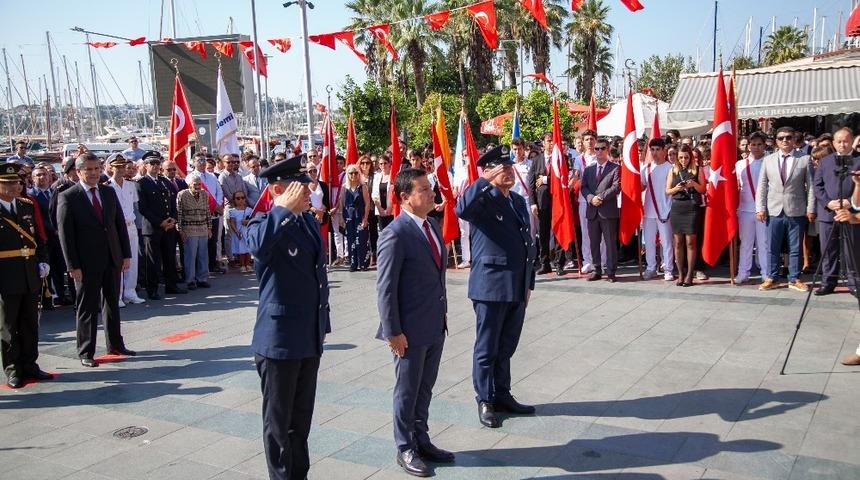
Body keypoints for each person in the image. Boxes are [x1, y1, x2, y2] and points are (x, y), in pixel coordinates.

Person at [246, 153, 330, 480]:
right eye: (302, 188)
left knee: (301, 422)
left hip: (309, 335)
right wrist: (281, 207)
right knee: (278, 425)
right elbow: (256, 246)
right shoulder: (264, 223)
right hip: (278, 341)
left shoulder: (307, 222)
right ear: (278, 190)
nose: (309, 192)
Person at [376, 167, 454, 477]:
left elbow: (437, 276)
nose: (432, 193)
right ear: (406, 197)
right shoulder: (394, 234)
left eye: (430, 188)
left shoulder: (432, 226)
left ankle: (422, 438)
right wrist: (392, 331)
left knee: (425, 388)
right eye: (424, 190)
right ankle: (404, 446)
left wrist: (442, 311)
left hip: (434, 324)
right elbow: (385, 289)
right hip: (407, 331)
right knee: (406, 390)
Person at [456, 145, 537, 429]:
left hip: (516, 285)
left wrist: (529, 282)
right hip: (490, 286)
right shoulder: (482, 199)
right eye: (501, 167)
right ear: (488, 171)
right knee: (487, 347)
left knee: (507, 345)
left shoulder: (516, 200)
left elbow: (528, 243)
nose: (508, 171)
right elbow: (461, 208)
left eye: (509, 166)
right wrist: (484, 180)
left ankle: (502, 394)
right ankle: (485, 399)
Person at [57, 153, 135, 367]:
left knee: (112, 303)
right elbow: (66, 236)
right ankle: (86, 351)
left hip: (112, 258)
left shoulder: (108, 193)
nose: (93, 173)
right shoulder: (69, 196)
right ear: (79, 171)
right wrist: (72, 266)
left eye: (96, 169)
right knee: (87, 307)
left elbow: (119, 225)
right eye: (88, 170)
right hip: (86, 263)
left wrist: (125, 254)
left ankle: (116, 344)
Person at [0, 162, 51, 388]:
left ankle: (30, 363)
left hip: (29, 273)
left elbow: (38, 239)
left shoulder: (26, 206)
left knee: (30, 323)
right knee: (9, 327)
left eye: (17, 183)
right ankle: (13, 369)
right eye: (8, 183)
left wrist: (42, 260)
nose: (14, 187)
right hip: (5, 276)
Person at [756, 126, 816, 292]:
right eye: (781, 138)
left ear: (793, 139)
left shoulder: (804, 159)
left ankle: (795, 278)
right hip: (773, 209)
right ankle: (772, 277)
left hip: (796, 209)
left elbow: (811, 187)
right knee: (772, 247)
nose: (785, 140)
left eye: (788, 137)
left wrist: (811, 208)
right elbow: (761, 186)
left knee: (795, 247)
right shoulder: (768, 160)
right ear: (776, 141)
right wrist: (760, 208)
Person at [812, 127, 860, 296]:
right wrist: (828, 203)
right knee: (828, 250)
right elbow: (817, 186)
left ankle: (854, 283)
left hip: (851, 212)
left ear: (852, 141)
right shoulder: (825, 161)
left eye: (846, 141)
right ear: (833, 143)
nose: (842, 144)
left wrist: (850, 202)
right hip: (828, 213)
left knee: (852, 249)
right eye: (839, 141)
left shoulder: (858, 160)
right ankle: (828, 282)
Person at [137, 151, 186, 299]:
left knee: (169, 257)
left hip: (168, 226)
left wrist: (172, 219)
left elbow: (172, 202)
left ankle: (171, 285)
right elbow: (143, 208)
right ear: (145, 165)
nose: (156, 166)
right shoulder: (141, 183)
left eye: (158, 163)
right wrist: (160, 222)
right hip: (153, 228)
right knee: (153, 261)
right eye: (152, 163)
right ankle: (152, 289)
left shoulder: (164, 181)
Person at [105, 154, 145, 306]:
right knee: (118, 260)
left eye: (123, 166)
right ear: (111, 168)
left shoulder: (130, 185)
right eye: (118, 167)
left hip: (131, 225)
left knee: (132, 260)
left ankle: (130, 291)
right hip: (116, 227)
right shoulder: (107, 186)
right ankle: (117, 294)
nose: (121, 169)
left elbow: (134, 205)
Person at [581, 138, 621, 282]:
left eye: (602, 148)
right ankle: (596, 269)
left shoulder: (615, 168)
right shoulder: (589, 169)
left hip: (607, 210)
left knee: (610, 243)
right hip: (592, 211)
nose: (598, 151)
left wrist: (600, 197)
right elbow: (583, 187)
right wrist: (591, 198)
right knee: (594, 242)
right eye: (596, 148)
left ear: (607, 149)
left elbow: (616, 187)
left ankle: (611, 271)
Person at [666, 145, 706, 286]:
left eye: (686, 157)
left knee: (690, 242)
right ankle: (681, 274)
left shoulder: (698, 169)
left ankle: (690, 274)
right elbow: (667, 191)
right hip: (677, 207)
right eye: (681, 157)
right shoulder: (673, 170)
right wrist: (677, 188)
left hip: (692, 208)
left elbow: (703, 189)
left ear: (691, 157)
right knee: (678, 243)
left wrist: (693, 184)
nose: (683, 160)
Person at [735, 132, 769, 284]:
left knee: (763, 243)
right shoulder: (740, 164)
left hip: (763, 209)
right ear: (748, 146)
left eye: (759, 144)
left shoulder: (769, 162)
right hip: (745, 209)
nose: (756, 147)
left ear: (764, 145)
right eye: (753, 144)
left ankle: (766, 273)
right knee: (746, 243)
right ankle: (743, 272)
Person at [641, 138, 674, 281]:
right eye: (652, 149)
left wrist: (669, 208)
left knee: (666, 241)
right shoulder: (646, 168)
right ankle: (650, 267)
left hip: (665, 210)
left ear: (663, 151)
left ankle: (668, 268)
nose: (654, 153)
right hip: (649, 210)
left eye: (657, 149)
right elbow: (641, 187)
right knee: (648, 241)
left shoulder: (670, 168)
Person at [187, 153, 225, 274]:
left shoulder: (212, 176)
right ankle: (202, 269)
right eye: (199, 160)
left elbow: (219, 191)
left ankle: (212, 265)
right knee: (201, 243)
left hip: (214, 213)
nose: (202, 162)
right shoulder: (191, 177)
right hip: (201, 214)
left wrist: (218, 205)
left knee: (213, 240)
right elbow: (198, 193)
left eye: (204, 160)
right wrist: (212, 206)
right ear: (193, 162)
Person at [176, 175, 212, 289]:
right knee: (190, 256)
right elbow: (179, 213)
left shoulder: (204, 194)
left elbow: (207, 211)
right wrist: (180, 230)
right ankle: (190, 280)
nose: (197, 186)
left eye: (199, 184)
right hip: (189, 229)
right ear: (189, 184)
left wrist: (209, 228)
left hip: (202, 228)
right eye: (194, 184)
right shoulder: (182, 194)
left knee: (203, 255)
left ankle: (202, 278)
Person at [337, 164, 371, 271]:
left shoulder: (363, 187)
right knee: (350, 240)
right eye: (351, 173)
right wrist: (341, 217)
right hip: (349, 217)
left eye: (356, 173)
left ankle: (363, 264)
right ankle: (353, 264)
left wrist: (365, 218)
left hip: (360, 216)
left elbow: (367, 204)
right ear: (347, 174)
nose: (353, 175)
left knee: (362, 239)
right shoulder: (344, 188)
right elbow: (341, 204)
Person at [228, 191, 253, 273]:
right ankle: (242, 265)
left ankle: (248, 264)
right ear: (234, 200)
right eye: (238, 198)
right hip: (239, 232)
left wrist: (247, 221)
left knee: (248, 249)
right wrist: (236, 231)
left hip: (248, 232)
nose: (241, 200)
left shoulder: (249, 210)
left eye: (242, 198)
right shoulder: (233, 211)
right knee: (241, 249)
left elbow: (253, 220)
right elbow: (232, 222)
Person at [371, 153, 395, 232]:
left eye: (385, 163)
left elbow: (394, 193)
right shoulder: (377, 176)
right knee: (383, 233)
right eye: (381, 163)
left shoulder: (394, 175)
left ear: (389, 164)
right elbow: (374, 194)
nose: (383, 165)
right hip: (380, 210)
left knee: (392, 233)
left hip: (392, 210)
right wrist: (380, 208)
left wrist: (389, 208)